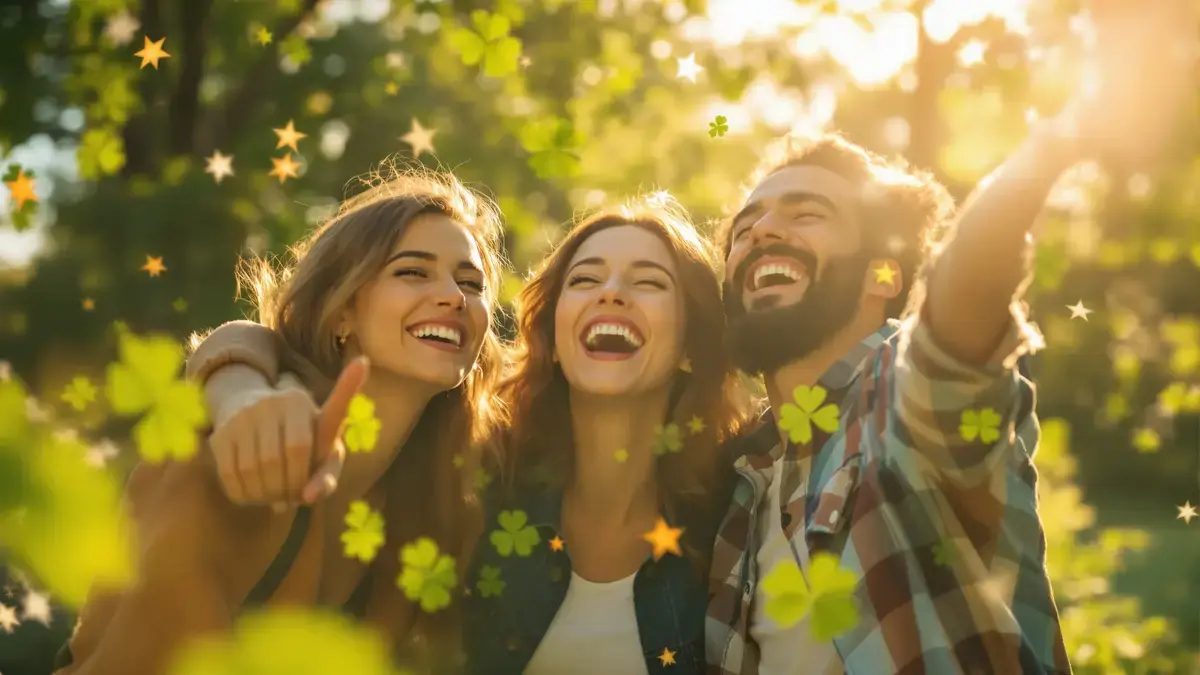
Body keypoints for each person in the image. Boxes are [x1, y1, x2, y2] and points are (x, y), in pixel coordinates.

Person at [704, 3, 1193, 671]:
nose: (761, 231)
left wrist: (1059, 138)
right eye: (745, 227)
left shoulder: (899, 397)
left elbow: (960, 303)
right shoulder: (742, 479)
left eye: (806, 213)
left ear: (882, 274)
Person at [187, 197, 752, 674]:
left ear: (691, 342)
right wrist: (238, 386)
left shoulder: (734, 512)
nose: (611, 293)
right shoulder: (484, 479)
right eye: (584, 279)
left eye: (648, 282)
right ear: (551, 335)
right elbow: (247, 339)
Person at [53, 165, 509, 675]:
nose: (454, 296)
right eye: (413, 272)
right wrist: (237, 382)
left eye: (471, 283)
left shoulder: (435, 497)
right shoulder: (228, 449)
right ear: (342, 310)